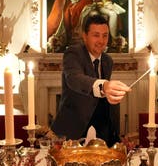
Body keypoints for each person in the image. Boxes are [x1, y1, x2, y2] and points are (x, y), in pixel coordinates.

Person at [51, 13, 130, 146]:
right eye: (96, 35)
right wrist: (104, 86)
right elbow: (74, 79)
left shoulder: (107, 60)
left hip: (103, 130)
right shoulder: (73, 53)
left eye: (105, 35)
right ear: (85, 36)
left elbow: (102, 98)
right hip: (74, 129)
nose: (101, 40)